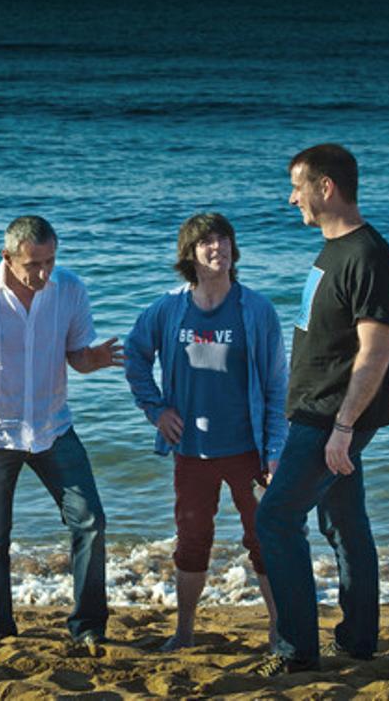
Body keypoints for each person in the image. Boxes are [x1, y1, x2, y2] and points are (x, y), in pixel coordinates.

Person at [0, 215, 123, 651]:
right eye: (33, 264)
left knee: (91, 520)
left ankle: (88, 626)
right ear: (7, 258)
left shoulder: (69, 288)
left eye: (50, 262)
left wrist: (95, 359)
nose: (42, 273)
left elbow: (78, 357)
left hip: (53, 425)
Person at [254, 144, 389, 676]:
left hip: (329, 419)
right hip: (319, 414)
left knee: (275, 519)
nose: (291, 198)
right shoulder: (334, 249)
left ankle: (296, 652)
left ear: (326, 188)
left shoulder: (367, 255)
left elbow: (376, 349)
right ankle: (358, 641)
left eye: (298, 186)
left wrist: (342, 427)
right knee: (343, 524)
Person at [124, 212, 288, 652]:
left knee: (263, 538)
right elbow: (135, 355)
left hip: (247, 451)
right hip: (192, 451)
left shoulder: (256, 309)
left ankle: (280, 631)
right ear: (190, 255)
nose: (218, 248)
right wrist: (155, 409)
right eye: (207, 242)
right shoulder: (168, 308)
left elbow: (276, 386)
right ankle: (184, 633)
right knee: (192, 540)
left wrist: (275, 451)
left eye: (224, 240)